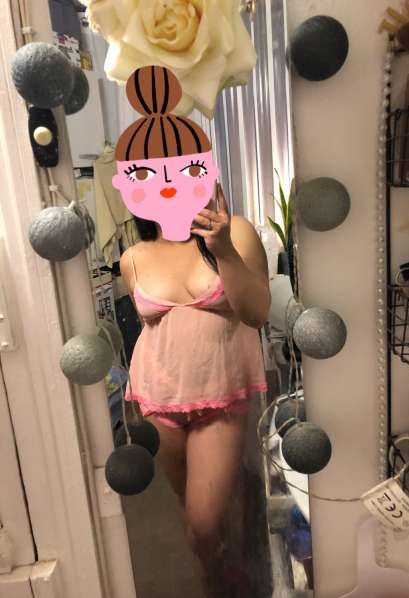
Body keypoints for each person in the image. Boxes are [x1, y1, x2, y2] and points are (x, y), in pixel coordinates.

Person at [117, 65, 270, 597]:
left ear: (203, 171)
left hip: (220, 394)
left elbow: (256, 313)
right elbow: (154, 330)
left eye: (184, 169)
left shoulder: (237, 232)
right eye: (148, 174)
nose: (167, 184)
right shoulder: (133, 257)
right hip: (158, 397)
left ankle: (224, 578)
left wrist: (223, 248)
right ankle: (218, 572)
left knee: (202, 522)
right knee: (194, 516)